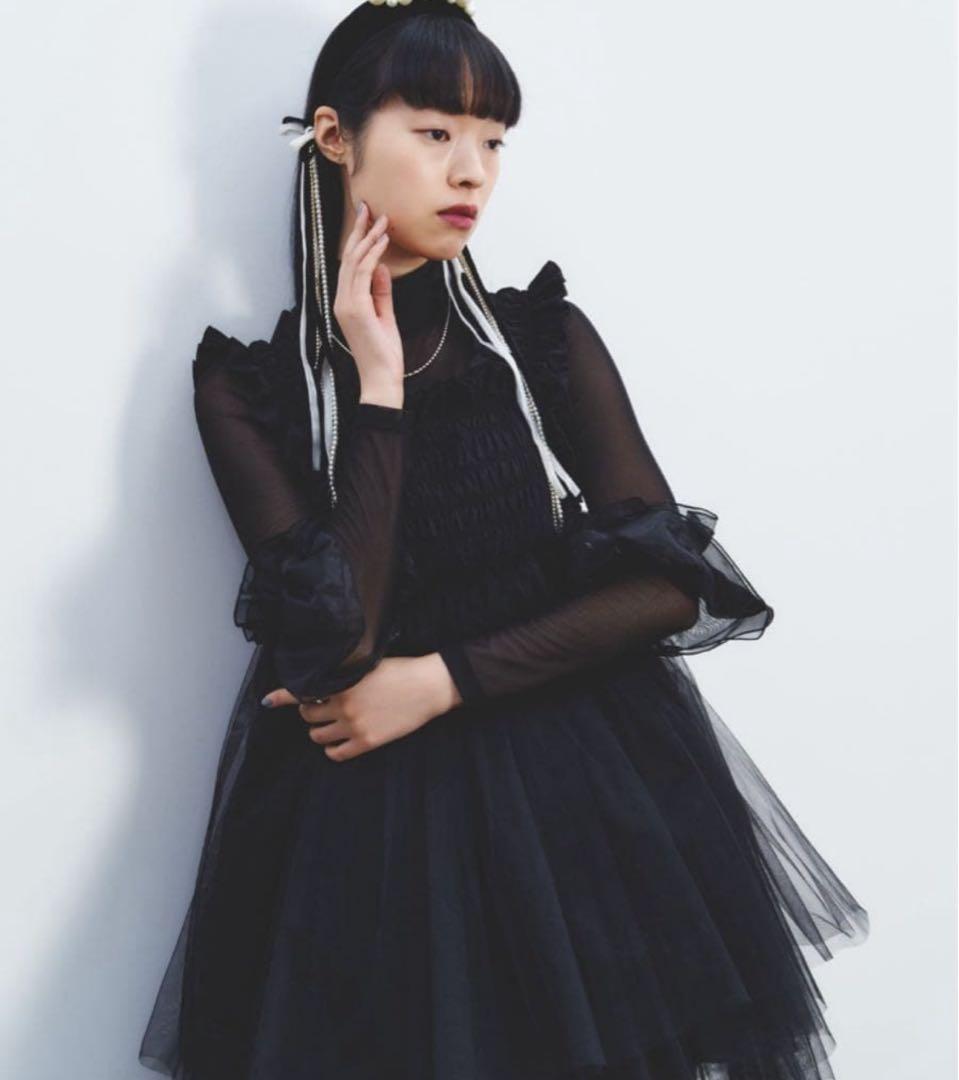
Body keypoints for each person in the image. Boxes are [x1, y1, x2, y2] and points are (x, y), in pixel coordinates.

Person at [139, 2, 869, 1077]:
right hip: (369, 838)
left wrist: (442, 680)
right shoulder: (247, 390)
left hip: (579, 786)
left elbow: (670, 589)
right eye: (435, 132)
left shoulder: (539, 340)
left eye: (491, 140)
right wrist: (377, 386)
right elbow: (336, 646)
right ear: (335, 137)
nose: (470, 171)